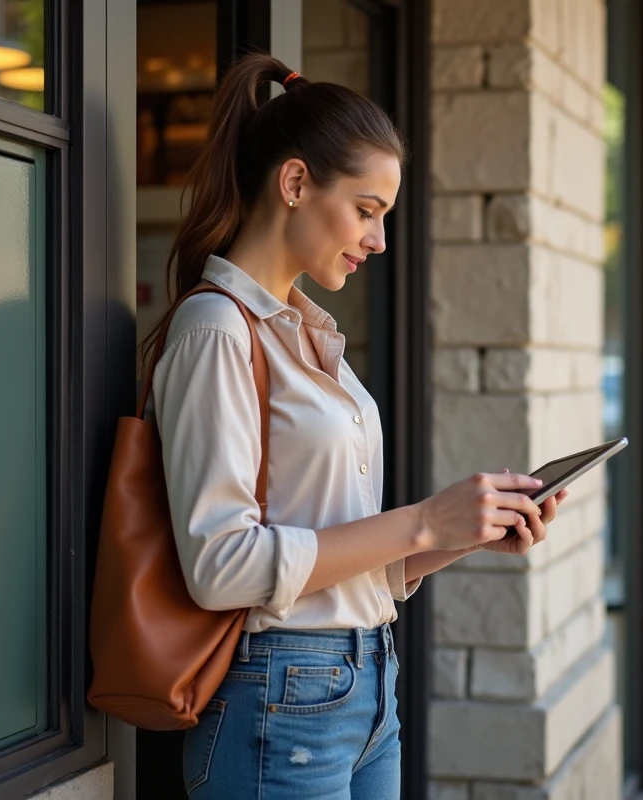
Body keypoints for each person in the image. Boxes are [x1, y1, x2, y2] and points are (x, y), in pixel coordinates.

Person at [140, 54, 568, 799]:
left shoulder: (309, 336)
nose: (378, 241)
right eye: (366, 210)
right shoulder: (217, 329)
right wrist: (423, 522)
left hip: (366, 682)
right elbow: (220, 568)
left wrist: (459, 533)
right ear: (296, 183)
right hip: (280, 695)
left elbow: (340, 565)